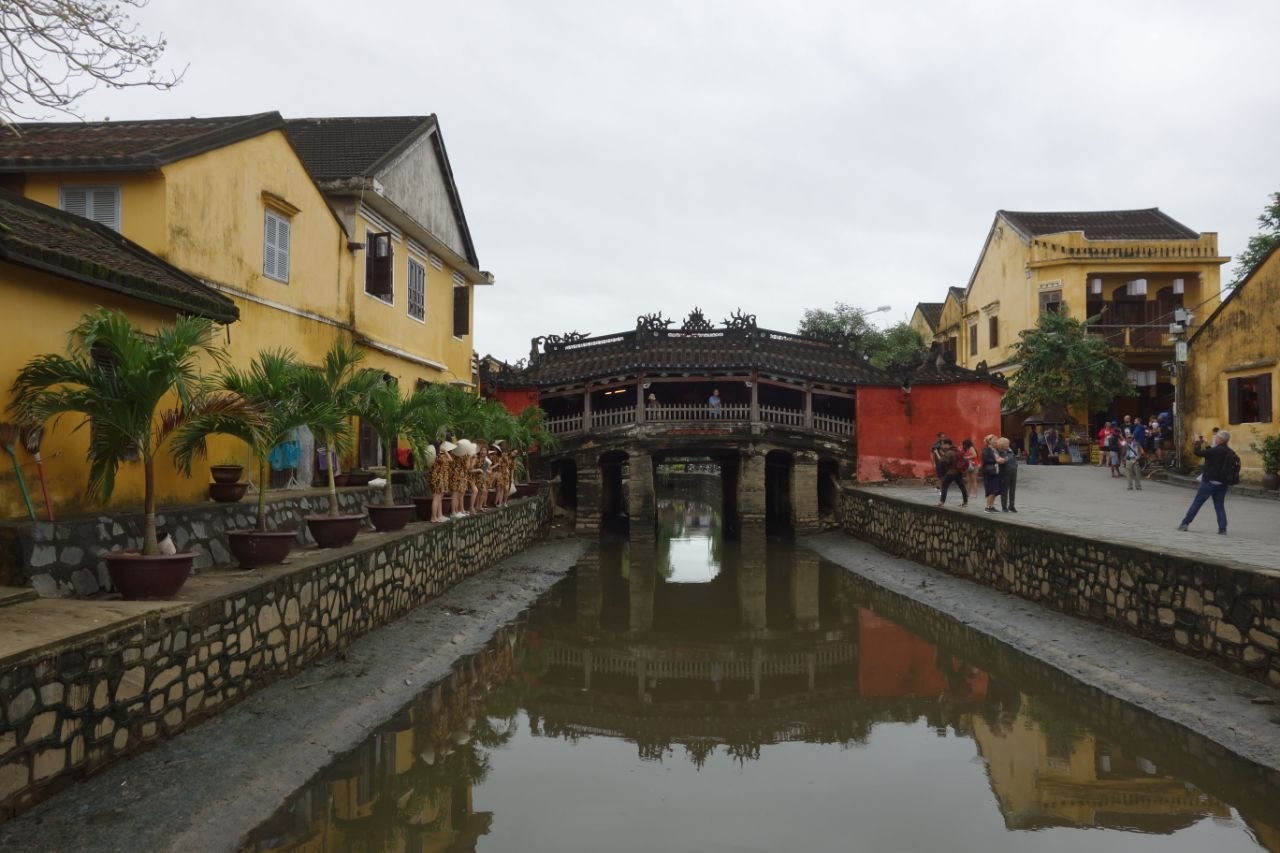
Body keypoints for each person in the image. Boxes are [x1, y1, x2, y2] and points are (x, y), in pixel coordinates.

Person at [1178, 431, 1235, 534]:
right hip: (1223, 483)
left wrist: (1196, 442)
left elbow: (1198, 453)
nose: (1215, 439)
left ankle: (1185, 524)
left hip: (1209, 482)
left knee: (1197, 503)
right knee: (1219, 505)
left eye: (1216, 437)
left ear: (1220, 439)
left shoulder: (1216, 450)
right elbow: (1212, 455)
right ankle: (1223, 529)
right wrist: (1207, 444)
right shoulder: (1229, 451)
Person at [936, 438, 968, 507]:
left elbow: (943, 461)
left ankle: (941, 502)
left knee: (944, 486)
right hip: (958, 471)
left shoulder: (950, 452)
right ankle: (965, 502)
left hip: (951, 472)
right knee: (962, 486)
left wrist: (938, 454)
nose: (942, 446)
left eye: (943, 444)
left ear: (947, 444)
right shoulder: (956, 449)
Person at [981, 434, 1006, 513]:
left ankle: (992, 506)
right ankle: (987, 507)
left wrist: (1002, 459)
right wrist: (997, 460)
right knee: (991, 489)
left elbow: (1000, 456)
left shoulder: (996, 450)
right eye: (994, 439)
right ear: (989, 441)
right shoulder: (986, 449)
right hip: (989, 472)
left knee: (996, 490)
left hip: (996, 472)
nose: (996, 440)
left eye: (996, 439)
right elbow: (986, 460)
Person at [997, 436, 1018, 512]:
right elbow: (1000, 461)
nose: (1008, 444)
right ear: (1002, 444)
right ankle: (1004, 507)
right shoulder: (999, 452)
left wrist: (1015, 466)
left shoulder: (1010, 451)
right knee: (1004, 490)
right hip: (1005, 473)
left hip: (1013, 472)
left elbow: (1014, 460)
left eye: (1008, 443)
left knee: (1012, 490)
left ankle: (1011, 506)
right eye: (1006, 443)